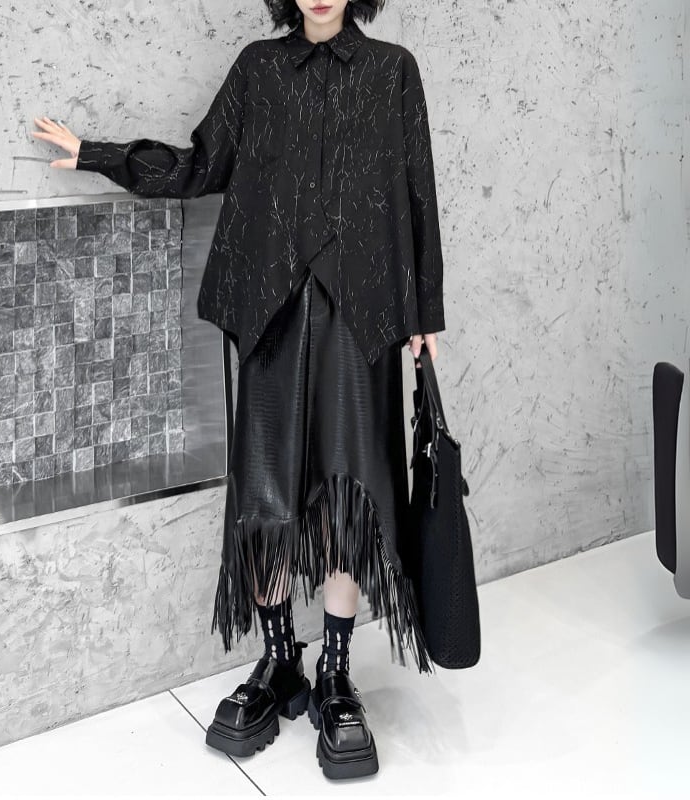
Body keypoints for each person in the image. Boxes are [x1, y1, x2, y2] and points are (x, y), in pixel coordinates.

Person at [31, 0, 445, 781]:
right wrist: (97, 153)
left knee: (349, 491)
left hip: (362, 312)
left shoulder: (394, 71)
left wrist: (425, 313)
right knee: (263, 493)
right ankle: (280, 659)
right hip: (268, 309)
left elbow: (418, 187)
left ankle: (336, 675)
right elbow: (201, 164)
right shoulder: (259, 68)